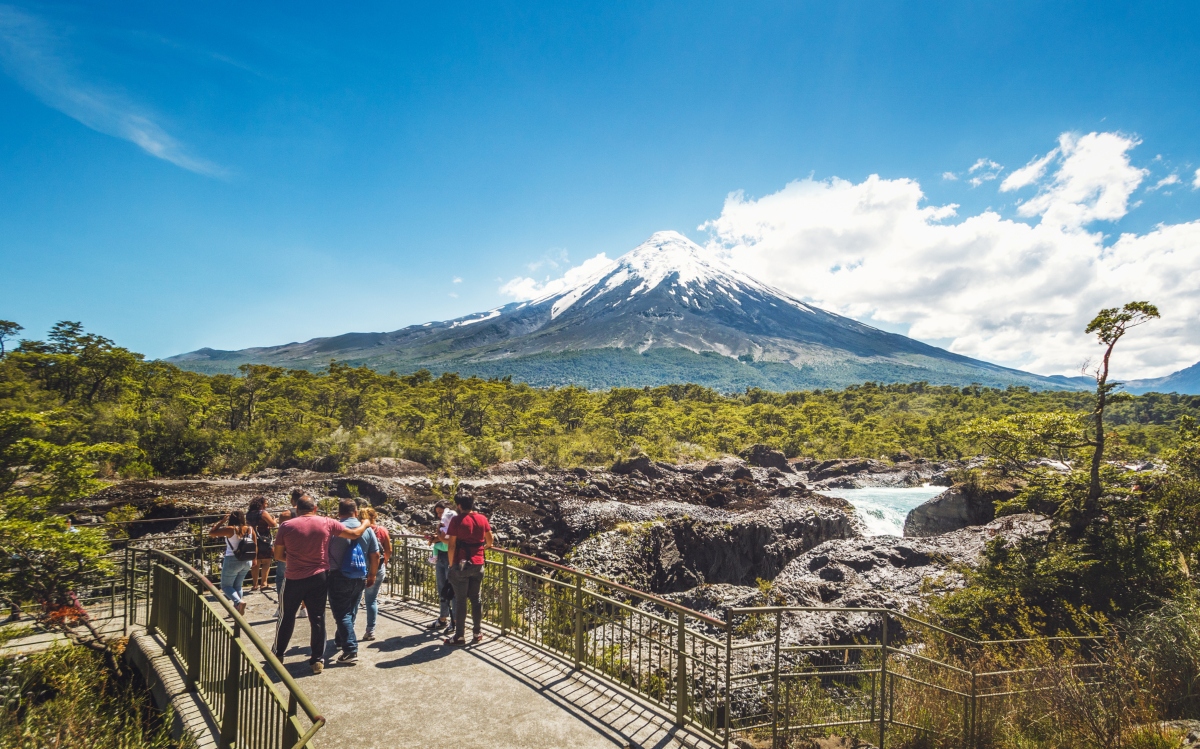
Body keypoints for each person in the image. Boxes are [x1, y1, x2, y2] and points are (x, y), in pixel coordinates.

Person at [272, 494, 375, 674]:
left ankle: (278, 654)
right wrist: (365, 523)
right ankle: (317, 660)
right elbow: (354, 533)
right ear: (315, 508)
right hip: (319, 577)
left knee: (286, 616)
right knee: (317, 618)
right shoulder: (327, 522)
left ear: (297, 509)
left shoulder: (286, 526)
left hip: (294, 577)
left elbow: (278, 555)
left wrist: (295, 560)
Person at [326, 499, 379, 664]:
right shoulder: (368, 530)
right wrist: (372, 575)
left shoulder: (334, 528)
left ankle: (350, 649)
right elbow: (375, 555)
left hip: (337, 576)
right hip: (360, 575)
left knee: (342, 613)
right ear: (355, 512)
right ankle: (340, 639)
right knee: (351, 609)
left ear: (339, 512)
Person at [444, 493, 493, 646]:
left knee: (460, 601)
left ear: (459, 505)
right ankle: (477, 632)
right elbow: (490, 541)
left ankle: (459, 636)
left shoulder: (456, 520)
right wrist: (480, 549)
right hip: (478, 563)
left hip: (461, 564)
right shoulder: (482, 518)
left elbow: (451, 545)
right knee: (476, 598)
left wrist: (451, 564)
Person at [209, 511, 256, 615]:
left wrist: (222, 521)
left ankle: (238, 602)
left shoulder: (231, 529)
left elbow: (212, 533)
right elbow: (254, 545)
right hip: (247, 560)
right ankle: (237, 609)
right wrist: (254, 560)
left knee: (225, 586)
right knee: (238, 585)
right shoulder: (250, 529)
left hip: (232, 560)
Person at [359, 506, 391, 641]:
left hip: (360, 568)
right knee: (371, 600)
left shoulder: (359, 531)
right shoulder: (382, 530)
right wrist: (383, 564)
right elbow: (388, 550)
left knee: (353, 601)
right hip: (378, 568)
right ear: (374, 517)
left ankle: (346, 632)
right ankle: (370, 630)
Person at [427, 501, 456, 633]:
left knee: (452, 589)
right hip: (441, 556)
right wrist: (436, 537)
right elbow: (442, 537)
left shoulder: (452, 520)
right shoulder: (443, 522)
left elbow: (447, 538)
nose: (439, 515)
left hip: (450, 556)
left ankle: (454, 620)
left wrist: (436, 537)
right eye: (437, 513)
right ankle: (443, 618)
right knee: (442, 588)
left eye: (441, 512)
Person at [247, 496, 278, 592]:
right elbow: (273, 524)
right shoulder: (263, 513)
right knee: (266, 561)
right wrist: (275, 520)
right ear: (261, 504)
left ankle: (254, 584)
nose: (267, 505)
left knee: (255, 562)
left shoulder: (249, 514)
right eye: (265, 503)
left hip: (252, 538)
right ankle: (264, 583)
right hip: (264, 539)